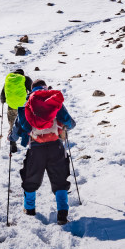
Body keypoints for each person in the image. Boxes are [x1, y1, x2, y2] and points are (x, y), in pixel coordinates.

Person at [8, 79, 76, 225]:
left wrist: (11, 138)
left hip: (35, 148)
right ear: (45, 88)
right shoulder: (54, 102)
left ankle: (30, 209)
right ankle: (62, 214)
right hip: (56, 146)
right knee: (60, 180)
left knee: (30, 179)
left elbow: (18, 129)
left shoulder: (27, 105)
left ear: (31, 91)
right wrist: (63, 127)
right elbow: (70, 123)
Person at [0, 69, 32, 152]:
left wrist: (3, 101)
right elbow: (32, 90)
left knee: (12, 124)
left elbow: (2, 95)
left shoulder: (9, 79)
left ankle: (12, 142)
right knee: (27, 122)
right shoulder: (25, 79)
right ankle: (30, 142)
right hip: (23, 106)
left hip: (11, 106)